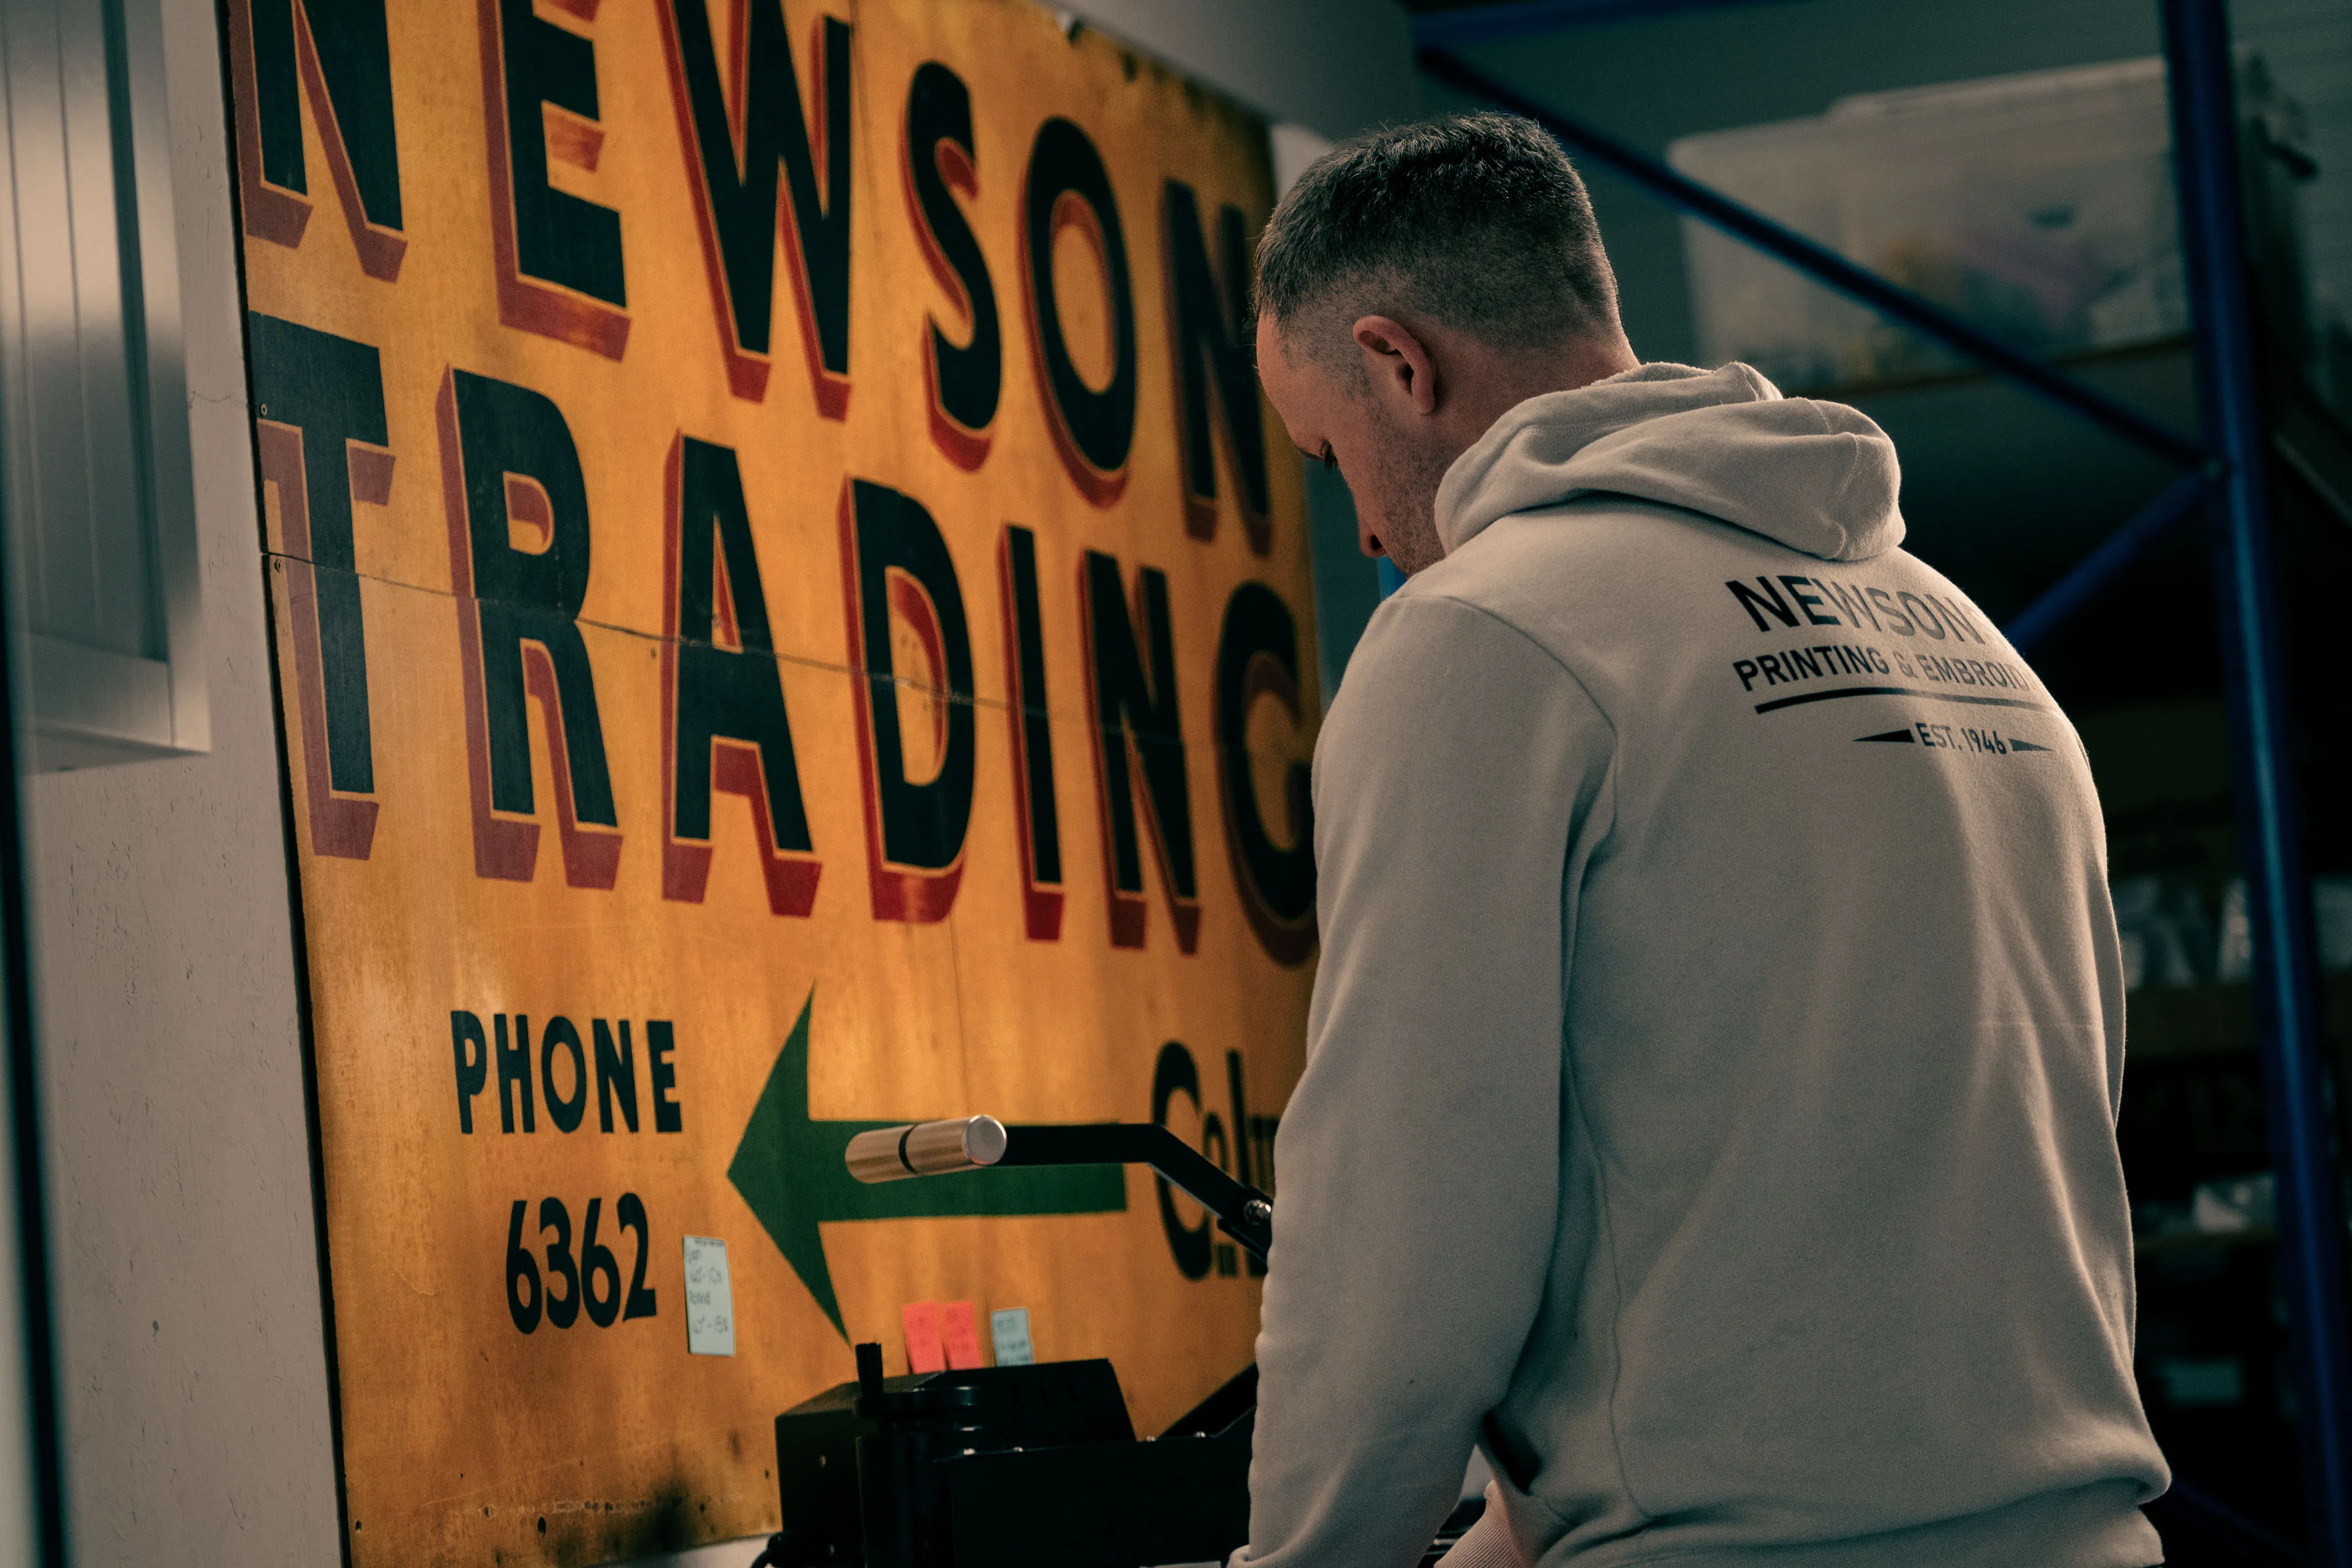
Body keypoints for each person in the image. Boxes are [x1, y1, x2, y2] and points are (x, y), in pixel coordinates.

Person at [1240, 112, 2168, 1568]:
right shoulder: (1970, 643)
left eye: (1326, 450)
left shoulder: (1481, 637)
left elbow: (1401, 1227)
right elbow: (1890, 1151)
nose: (1358, 522)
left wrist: (1305, 1555)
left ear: (1399, 366)